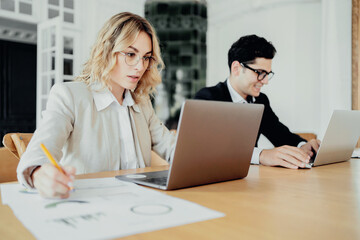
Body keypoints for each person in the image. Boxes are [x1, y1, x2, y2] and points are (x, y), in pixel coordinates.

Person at [17, 12, 176, 198]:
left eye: (146, 57)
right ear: (108, 51)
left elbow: (173, 149)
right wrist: (38, 174)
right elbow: (36, 154)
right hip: (91, 204)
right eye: (131, 54)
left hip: (140, 203)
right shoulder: (69, 96)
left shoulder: (142, 103)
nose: (140, 66)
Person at [194, 34, 320, 169]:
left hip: (248, 178)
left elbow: (279, 133)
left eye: (267, 74)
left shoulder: (260, 100)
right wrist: (261, 155)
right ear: (236, 68)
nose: (265, 81)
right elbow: (212, 147)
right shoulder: (208, 98)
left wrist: (303, 146)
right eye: (260, 72)